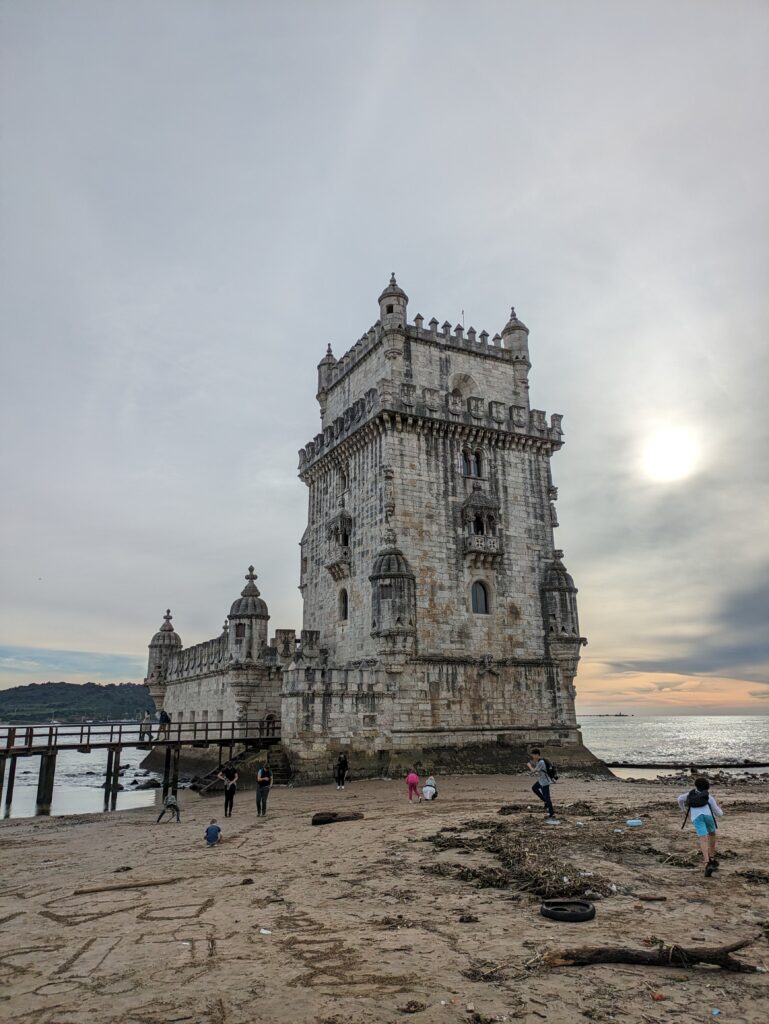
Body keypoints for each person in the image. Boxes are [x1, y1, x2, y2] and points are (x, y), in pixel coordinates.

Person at [677, 776, 724, 876]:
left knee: (703, 839)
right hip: (708, 816)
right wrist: (721, 810)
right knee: (712, 834)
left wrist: (683, 810)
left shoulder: (690, 795)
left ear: (696, 786)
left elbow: (679, 799)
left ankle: (707, 862)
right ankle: (712, 857)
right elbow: (718, 813)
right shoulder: (709, 797)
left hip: (696, 817)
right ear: (707, 788)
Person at [527, 748, 556, 819]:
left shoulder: (541, 762)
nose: (533, 757)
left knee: (547, 798)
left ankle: (551, 813)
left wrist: (529, 766)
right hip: (541, 781)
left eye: (533, 755)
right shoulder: (539, 762)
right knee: (534, 788)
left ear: (537, 755)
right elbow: (538, 771)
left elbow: (534, 771)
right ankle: (545, 801)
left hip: (544, 782)